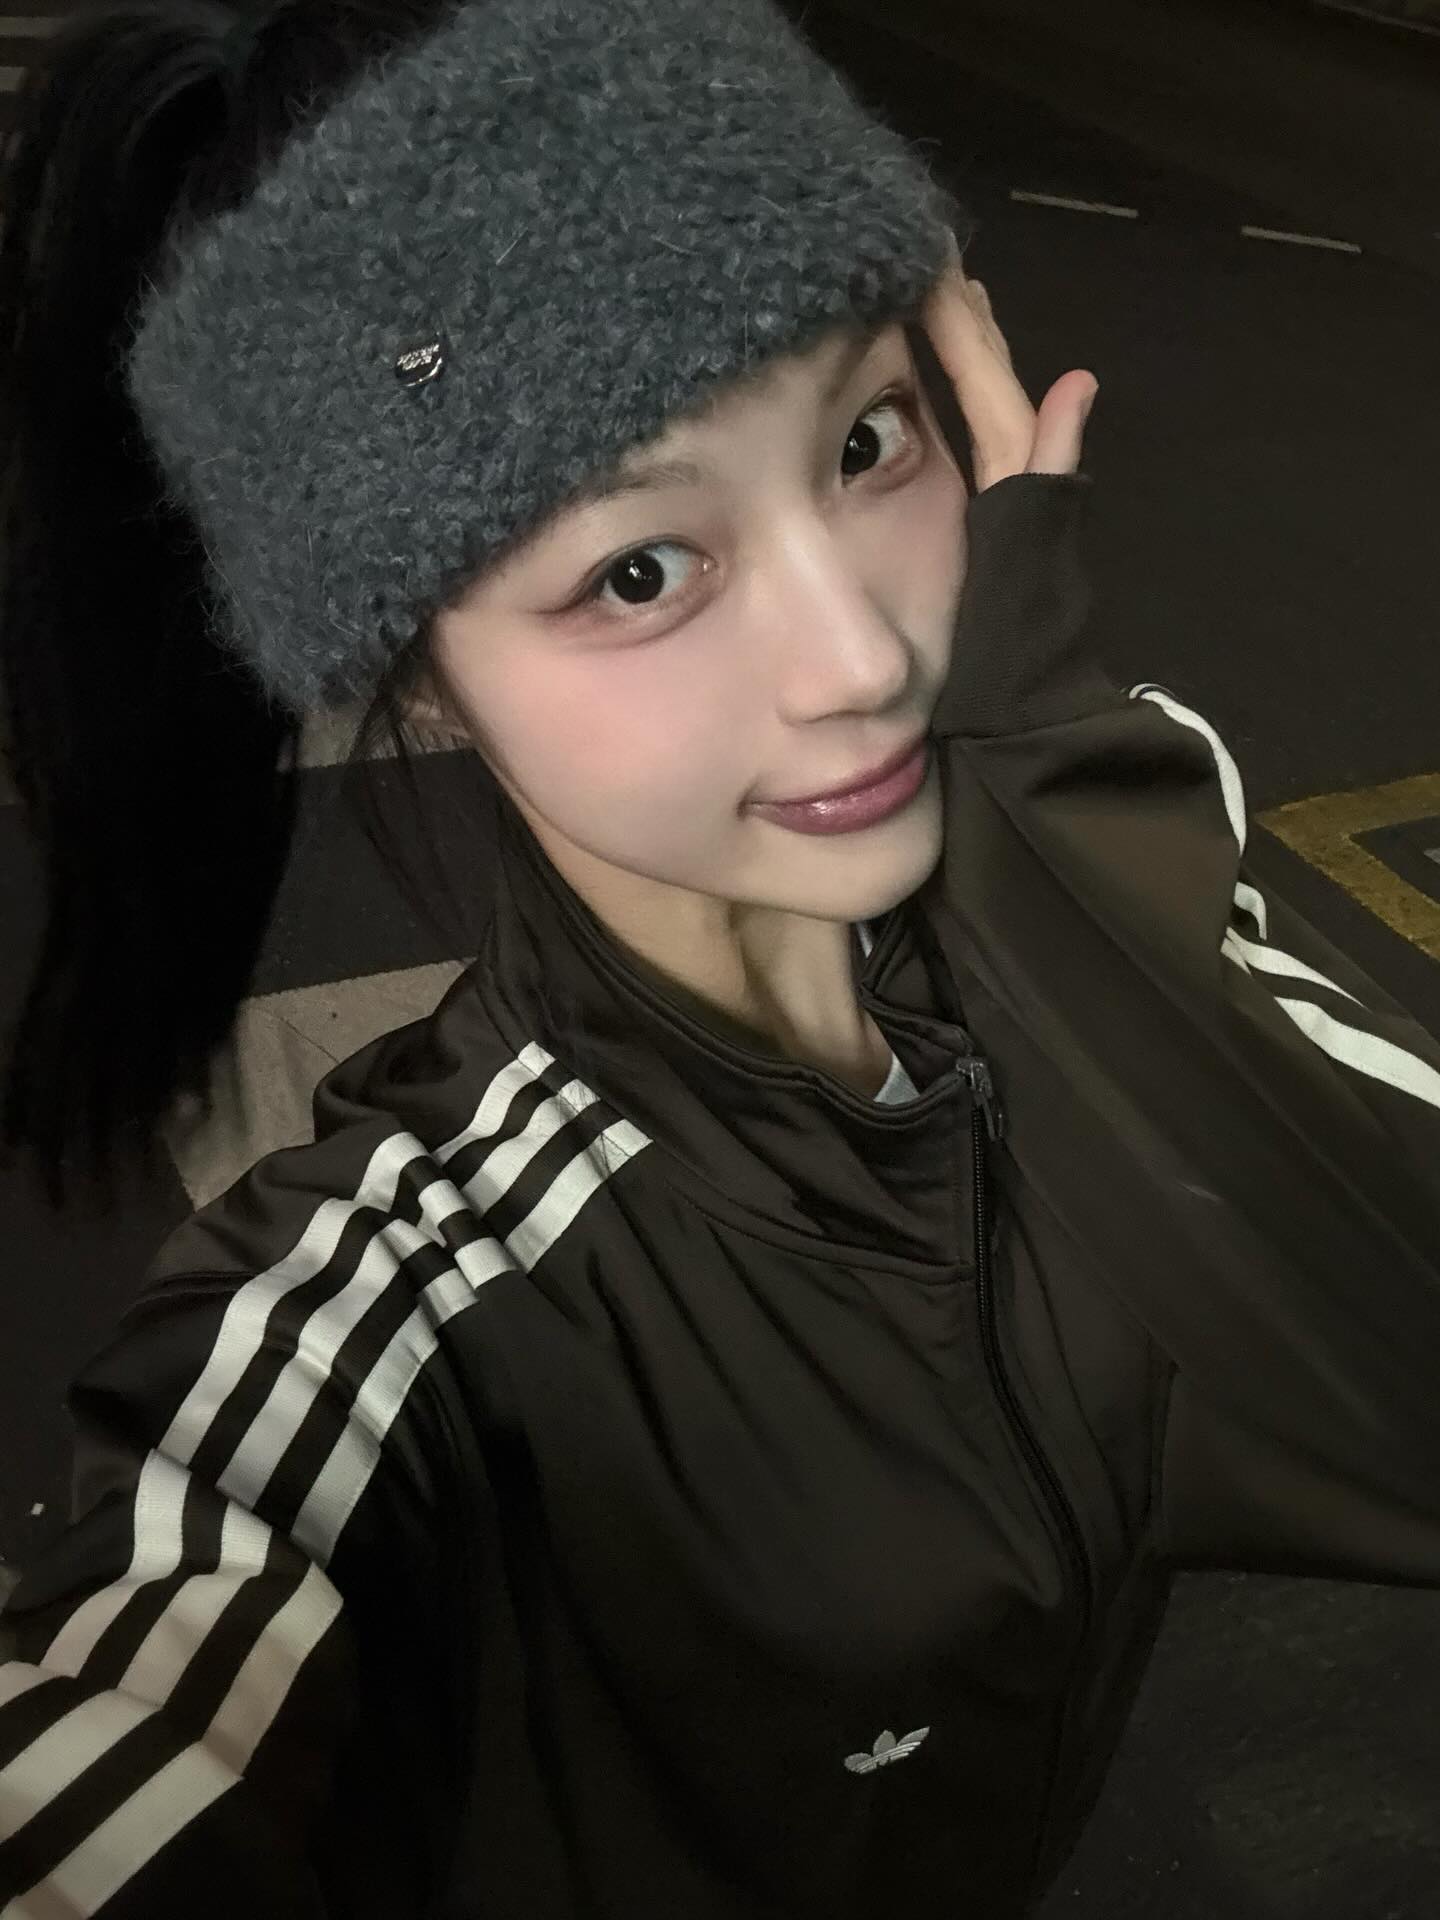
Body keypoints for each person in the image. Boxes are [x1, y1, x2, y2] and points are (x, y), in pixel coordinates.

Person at [0, 0, 1437, 1914]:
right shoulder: (395, 1337)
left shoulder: (1109, 903)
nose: (862, 660)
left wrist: (1054, 800)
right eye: (638, 569)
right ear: (425, 683)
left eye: (868, 439)